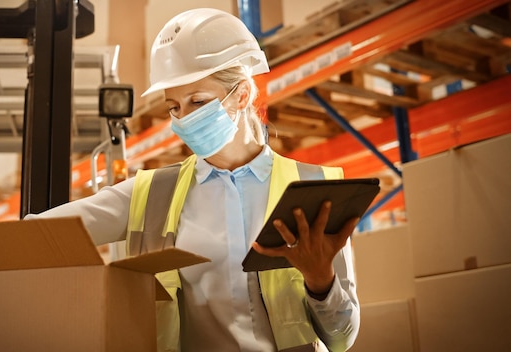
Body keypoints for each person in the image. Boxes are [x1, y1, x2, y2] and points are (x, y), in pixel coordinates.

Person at [26, 8, 360, 352]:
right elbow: (32, 237)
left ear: (242, 95)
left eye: (197, 101)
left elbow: (341, 338)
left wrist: (322, 283)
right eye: (174, 107)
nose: (183, 119)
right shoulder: (151, 195)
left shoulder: (313, 189)